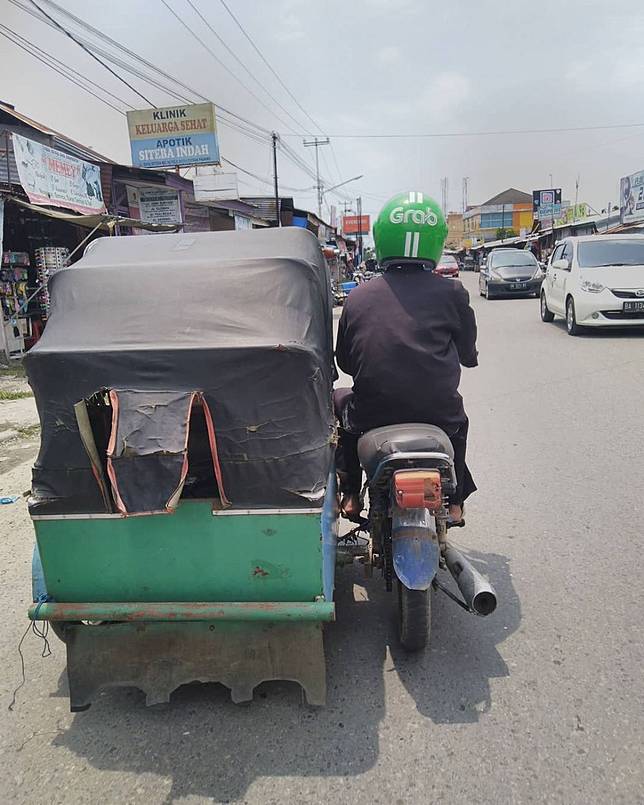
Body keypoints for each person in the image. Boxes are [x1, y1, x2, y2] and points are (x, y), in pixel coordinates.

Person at [334, 191, 478, 525]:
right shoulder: (453, 292)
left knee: (341, 407)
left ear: (381, 238)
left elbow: (345, 363)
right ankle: (455, 502)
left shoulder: (357, 297)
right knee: (460, 422)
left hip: (372, 413)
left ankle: (351, 494)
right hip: (439, 414)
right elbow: (468, 355)